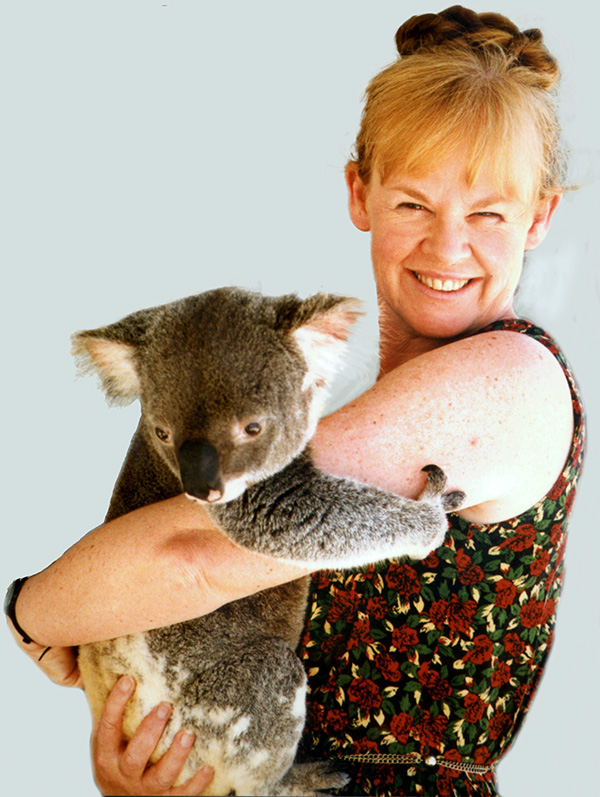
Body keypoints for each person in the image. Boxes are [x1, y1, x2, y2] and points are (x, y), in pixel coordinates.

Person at [5, 5, 585, 796]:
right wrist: (177, 770)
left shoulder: (508, 381)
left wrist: (32, 615)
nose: (450, 247)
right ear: (359, 193)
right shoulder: (329, 400)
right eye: (414, 204)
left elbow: (196, 554)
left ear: (541, 216)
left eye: (488, 214)